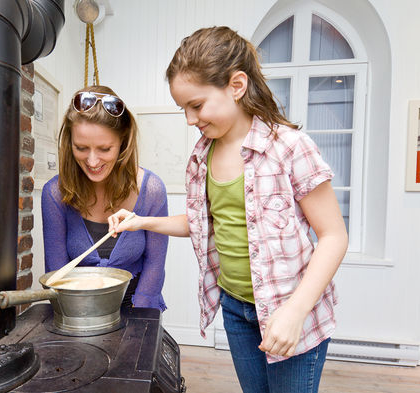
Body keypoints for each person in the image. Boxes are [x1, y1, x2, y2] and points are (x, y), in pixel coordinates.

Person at [108, 26, 348, 392]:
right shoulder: (202, 155)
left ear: (236, 86)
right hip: (237, 309)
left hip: (291, 310)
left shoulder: (289, 147)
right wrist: (141, 220)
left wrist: (295, 312)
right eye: (183, 108)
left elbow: (333, 236)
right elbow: (205, 222)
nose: (190, 119)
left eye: (196, 105)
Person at [41, 85, 168, 310]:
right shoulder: (54, 194)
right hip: (75, 309)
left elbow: (155, 264)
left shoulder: (152, 190)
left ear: (123, 142)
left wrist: (140, 320)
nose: (92, 161)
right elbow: (55, 274)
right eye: (81, 148)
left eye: (104, 149)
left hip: (136, 306)